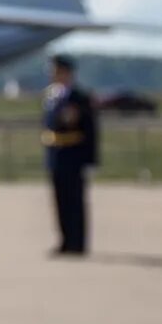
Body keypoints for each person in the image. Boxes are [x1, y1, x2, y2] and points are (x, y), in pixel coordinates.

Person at [41, 52, 99, 256]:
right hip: (57, 157)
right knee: (60, 201)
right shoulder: (51, 96)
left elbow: (90, 131)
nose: (52, 74)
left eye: (55, 71)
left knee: (75, 201)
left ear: (65, 72)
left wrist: (91, 160)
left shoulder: (80, 97)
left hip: (74, 156)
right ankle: (65, 240)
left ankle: (78, 243)